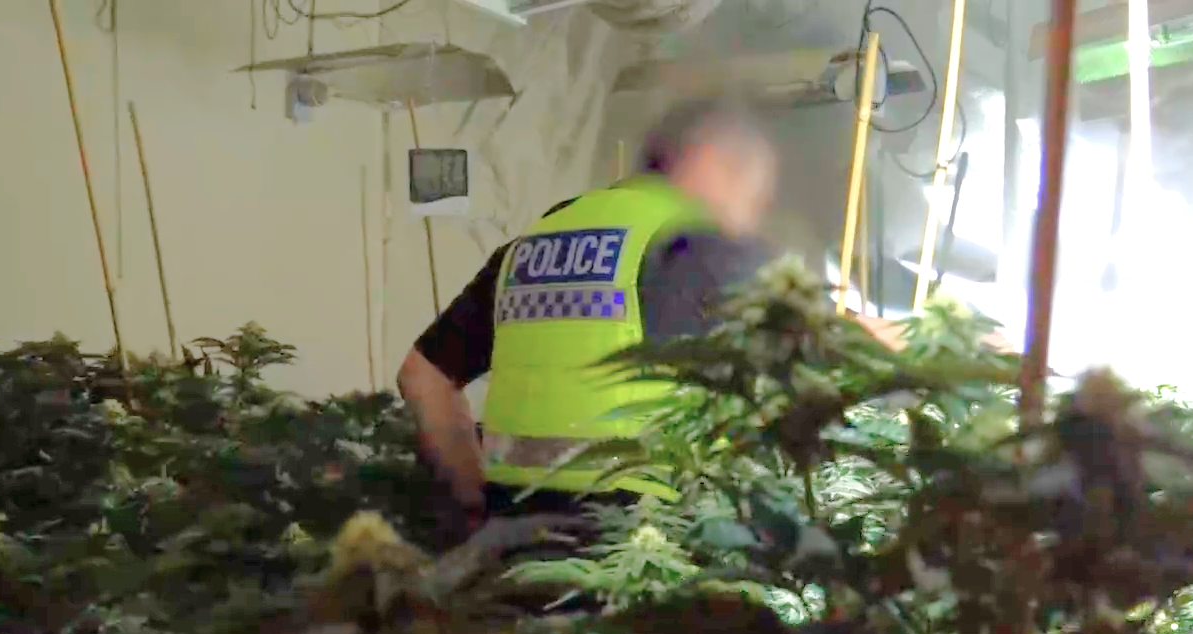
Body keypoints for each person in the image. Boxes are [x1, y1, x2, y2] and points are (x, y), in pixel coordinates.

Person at [395, 93, 927, 539]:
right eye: (753, 186)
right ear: (712, 162)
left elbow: (423, 376)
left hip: (514, 537)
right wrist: (966, 351)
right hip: (645, 546)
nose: (755, 211)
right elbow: (847, 350)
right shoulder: (697, 244)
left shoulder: (539, 238)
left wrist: (473, 501)